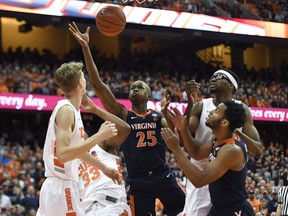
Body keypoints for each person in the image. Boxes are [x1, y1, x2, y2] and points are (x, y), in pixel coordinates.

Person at [69, 22, 186, 216]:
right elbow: (98, 84)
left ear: (149, 95)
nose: (134, 88)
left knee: (187, 210)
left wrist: (166, 114)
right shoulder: (123, 114)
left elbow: (177, 140)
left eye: (140, 87)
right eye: (132, 87)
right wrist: (86, 47)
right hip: (138, 181)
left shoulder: (157, 117)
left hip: (162, 174)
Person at [170, 68, 263, 216]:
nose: (212, 79)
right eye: (212, 77)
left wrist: (238, 133)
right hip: (201, 169)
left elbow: (258, 150)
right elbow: (195, 151)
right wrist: (182, 127)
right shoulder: (202, 108)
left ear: (231, 85)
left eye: (219, 77)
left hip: (222, 175)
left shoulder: (239, 115)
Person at [37, 61, 121, 216]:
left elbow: (77, 151)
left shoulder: (70, 109)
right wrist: (99, 136)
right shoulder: (67, 111)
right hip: (62, 187)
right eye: (83, 77)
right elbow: (63, 154)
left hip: (58, 187)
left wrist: (104, 168)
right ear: (81, 83)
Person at [161, 100, 255, 216]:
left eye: (216, 111)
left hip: (235, 211)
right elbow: (197, 152)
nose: (209, 111)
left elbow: (199, 180)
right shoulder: (219, 140)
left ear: (224, 122)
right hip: (219, 208)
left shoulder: (231, 150)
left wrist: (176, 149)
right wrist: (183, 129)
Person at [78, 95, 132, 216]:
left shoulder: (99, 145)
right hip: (87, 210)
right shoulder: (71, 159)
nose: (78, 134)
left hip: (110, 204)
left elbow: (124, 129)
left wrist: (95, 109)